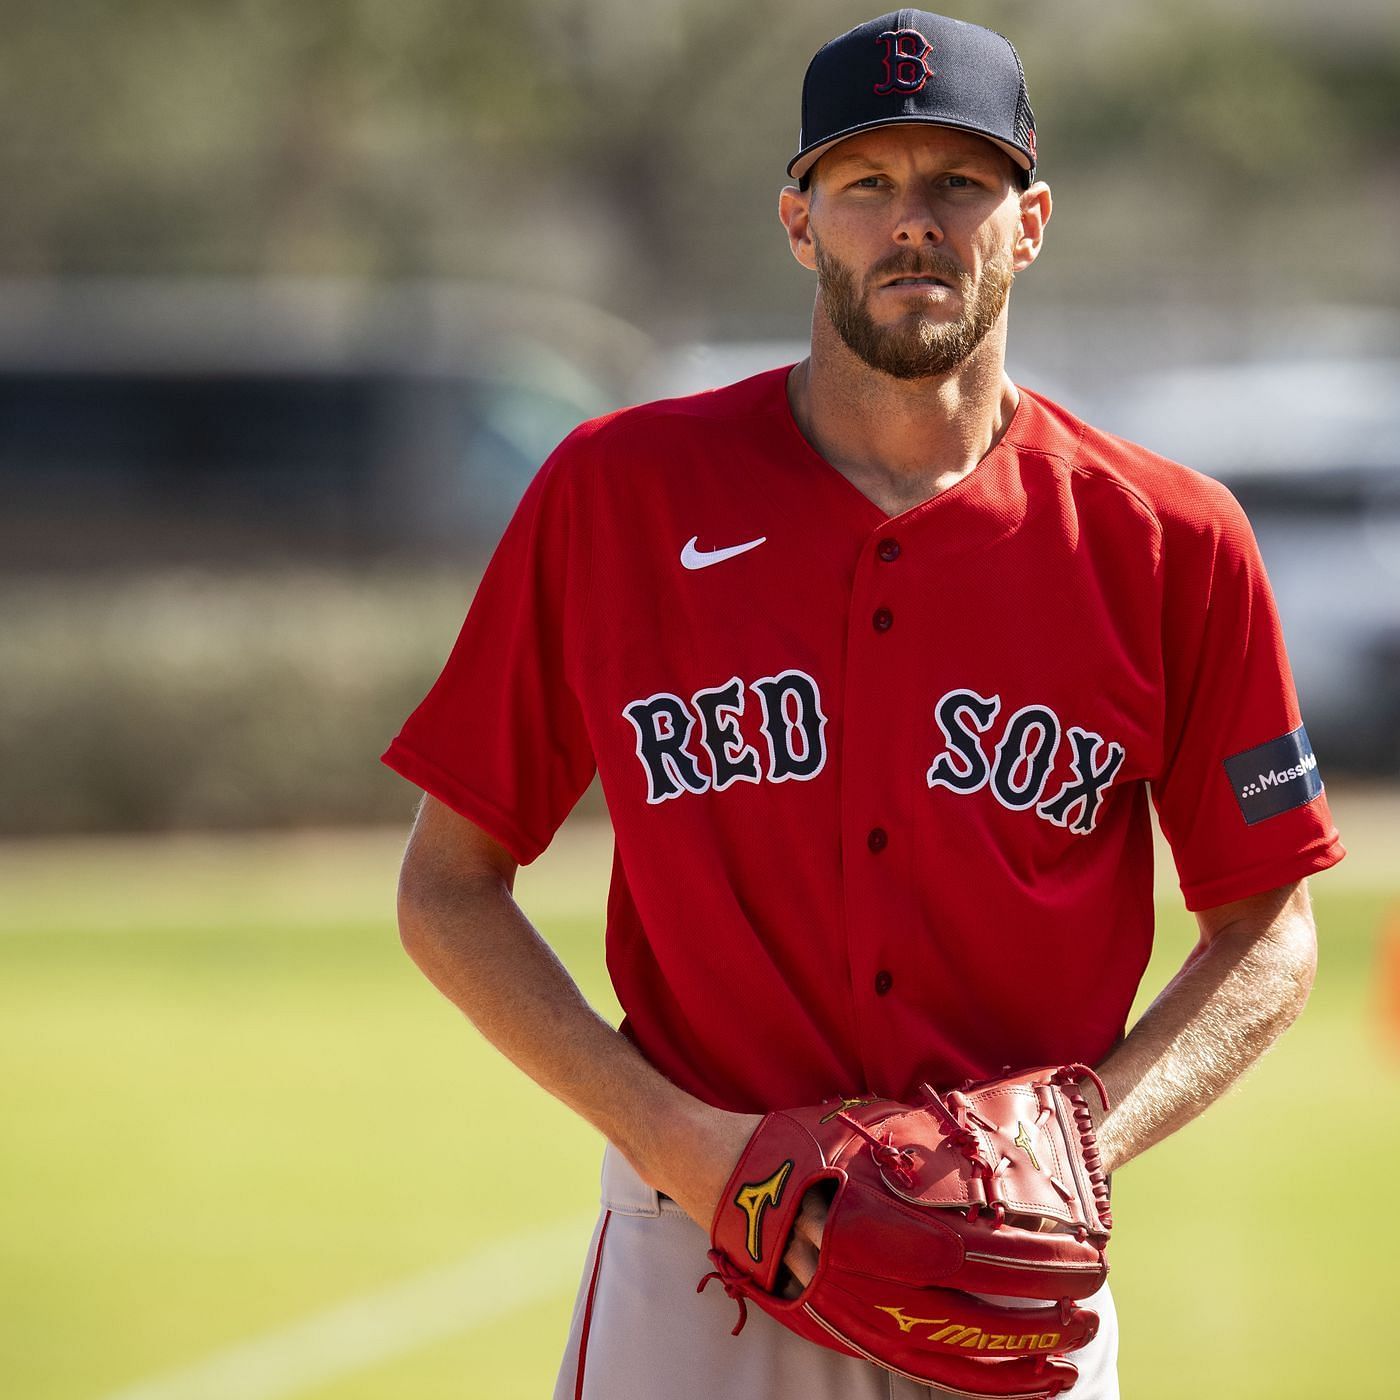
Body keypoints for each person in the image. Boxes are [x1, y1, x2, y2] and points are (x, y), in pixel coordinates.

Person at [382, 11, 1345, 1398]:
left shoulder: (1167, 539)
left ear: (1030, 222)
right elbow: (447, 889)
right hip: (695, 1254)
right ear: (798, 221)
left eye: (959, 183)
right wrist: (681, 1146)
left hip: (1014, 1270)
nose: (914, 224)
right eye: (866, 184)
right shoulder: (619, 493)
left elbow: (1270, 930)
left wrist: (1074, 1148)